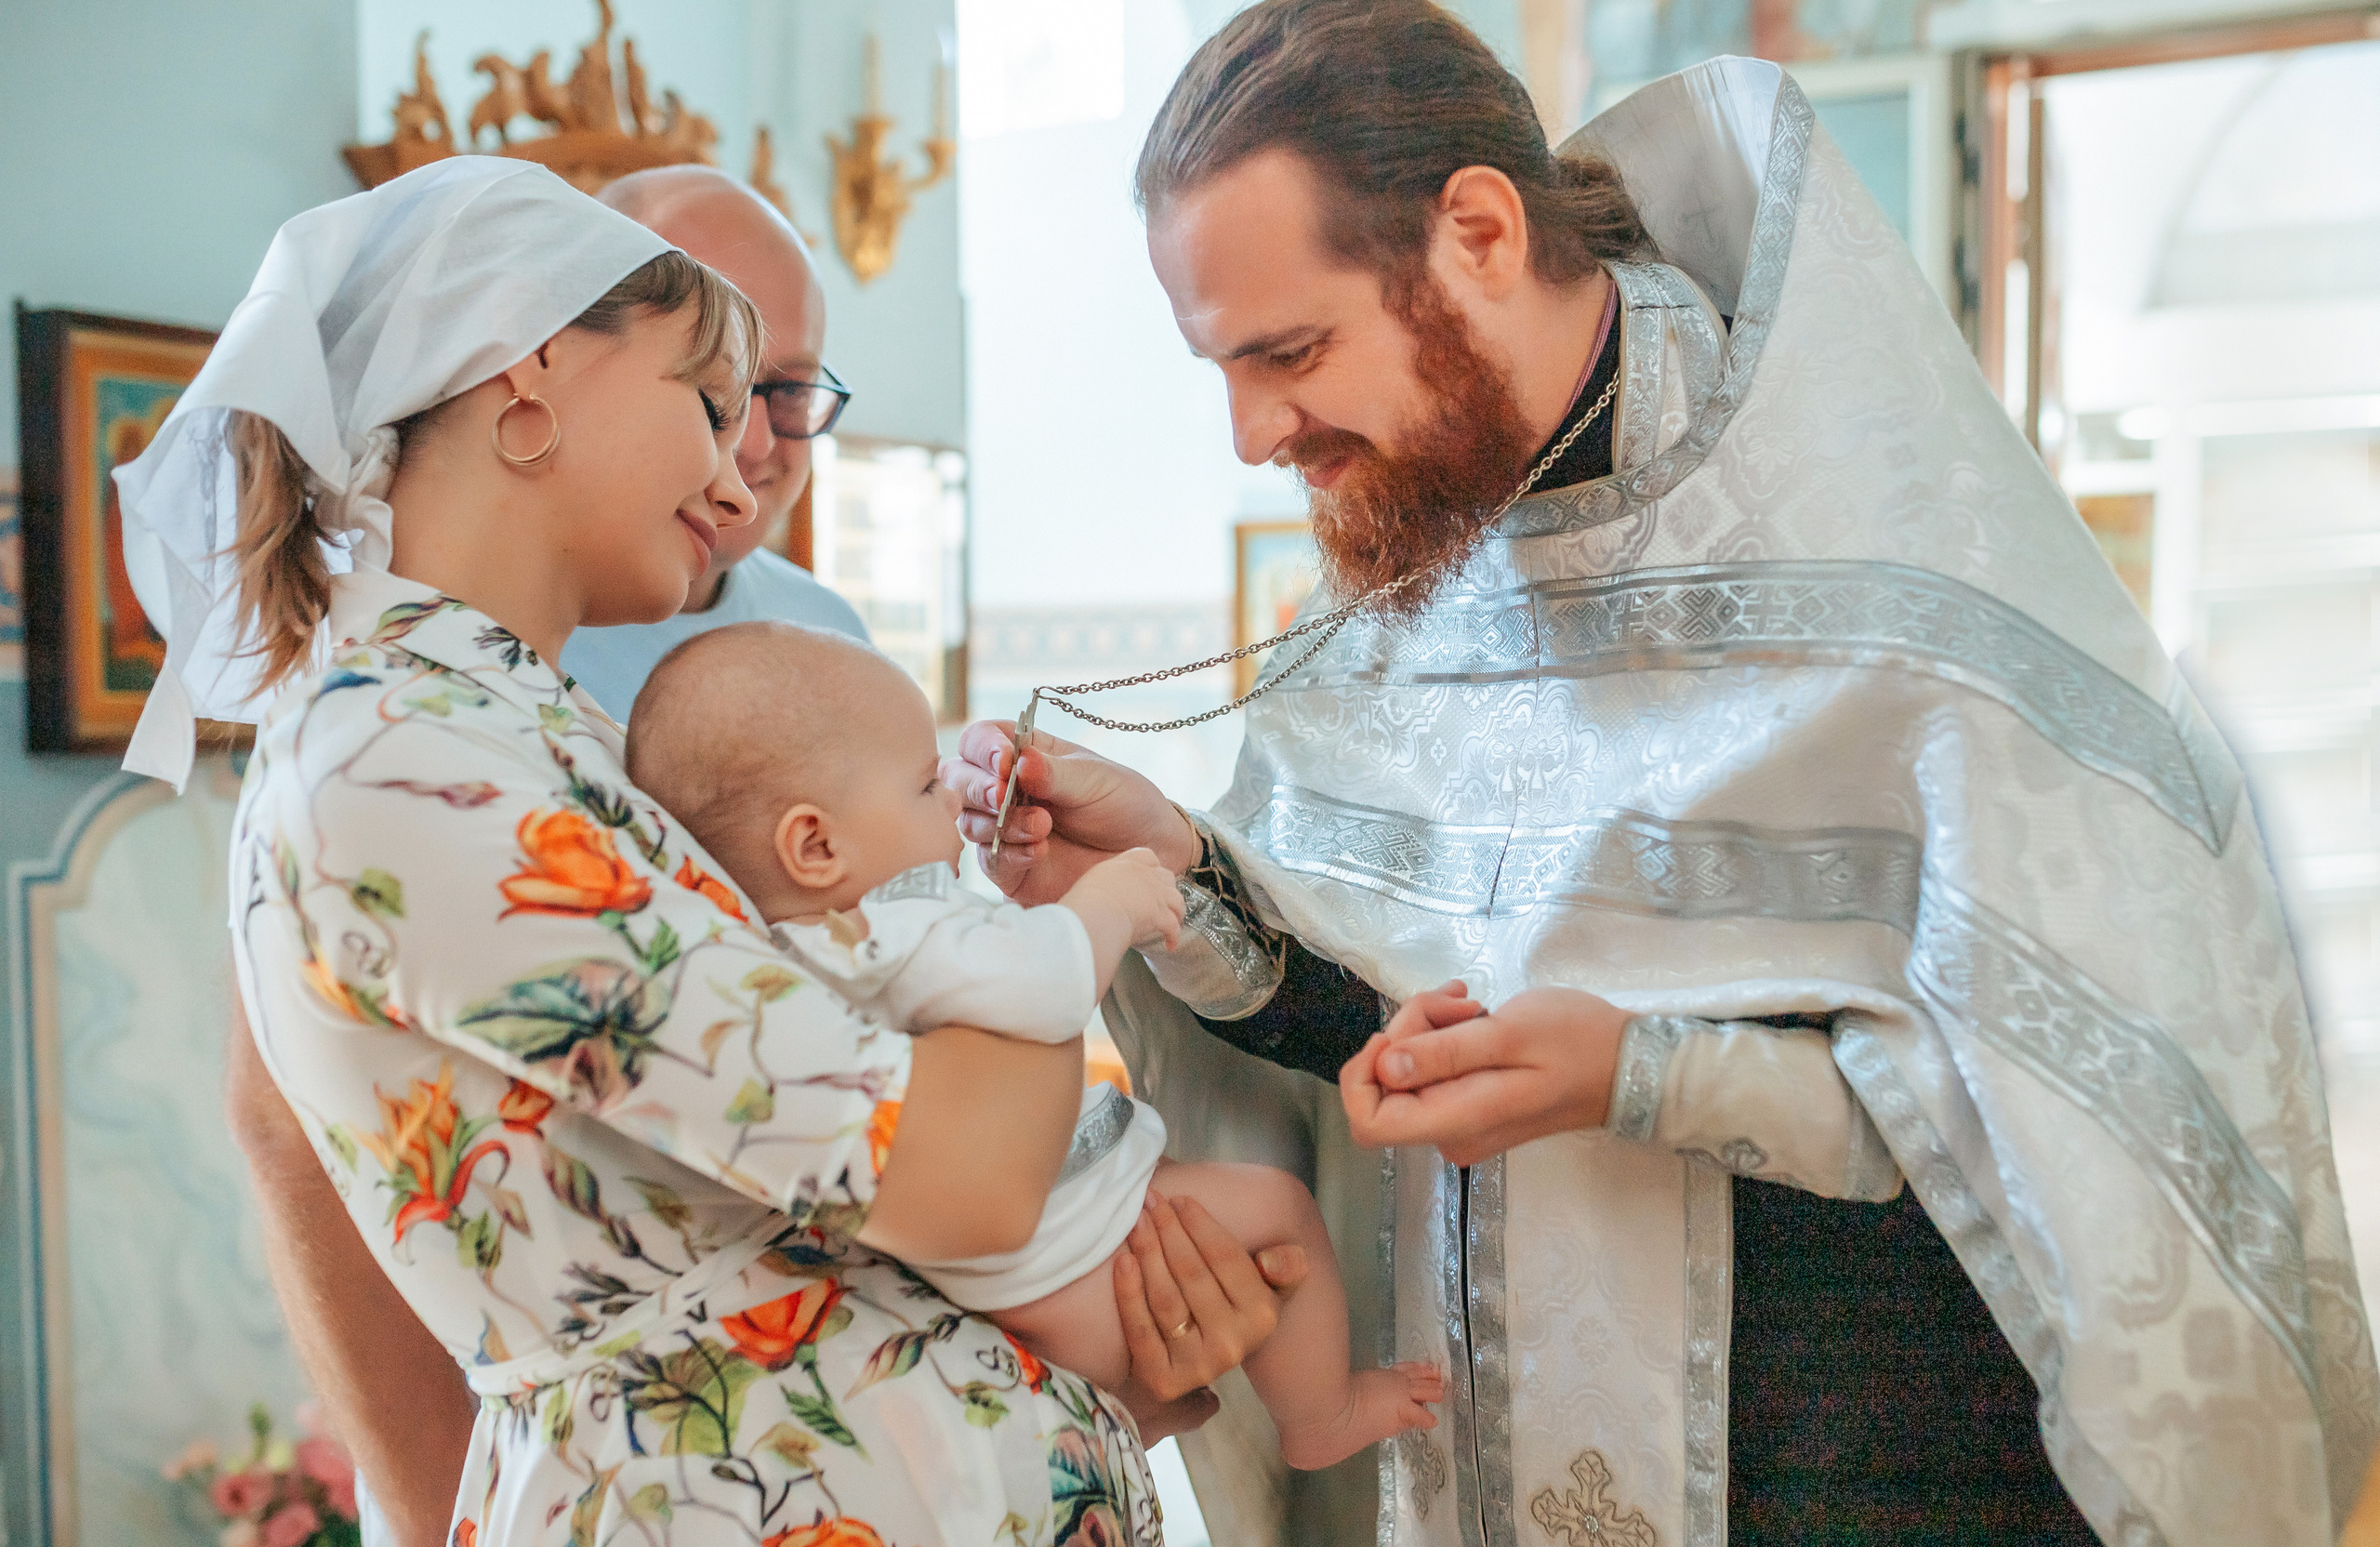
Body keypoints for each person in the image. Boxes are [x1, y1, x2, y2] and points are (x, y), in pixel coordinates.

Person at [944, 5, 2380, 1544]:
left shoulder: (1921, 614)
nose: (1250, 433)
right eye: (1220, 366)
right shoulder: (1424, 569)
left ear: (1479, 234)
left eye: (1290, 351)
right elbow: (1382, 1002)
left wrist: (1648, 1074)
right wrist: (1175, 872)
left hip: (1876, 1471)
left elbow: (2080, 1144)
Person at [120, 155, 1290, 1547]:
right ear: (533, 375)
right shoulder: (407, 759)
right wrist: (1052, 939)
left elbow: (791, 1213)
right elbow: (961, 1171)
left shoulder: (512, 721)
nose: (739, 467)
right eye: (707, 399)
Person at [624, 620, 1446, 1470]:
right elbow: (1043, 988)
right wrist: (1108, 900)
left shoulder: (792, 967)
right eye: (920, 788)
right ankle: (1324, 1417)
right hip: (1072, 1261)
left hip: (1015, 1284)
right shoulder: (885, 934)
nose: (948, 801)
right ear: (816, 845)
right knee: (1280, 1211)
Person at [560, 167, 869, 719]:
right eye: (710, 387)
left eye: (793, 389)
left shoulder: (831, 632)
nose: (754, 446)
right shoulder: (503, 630)